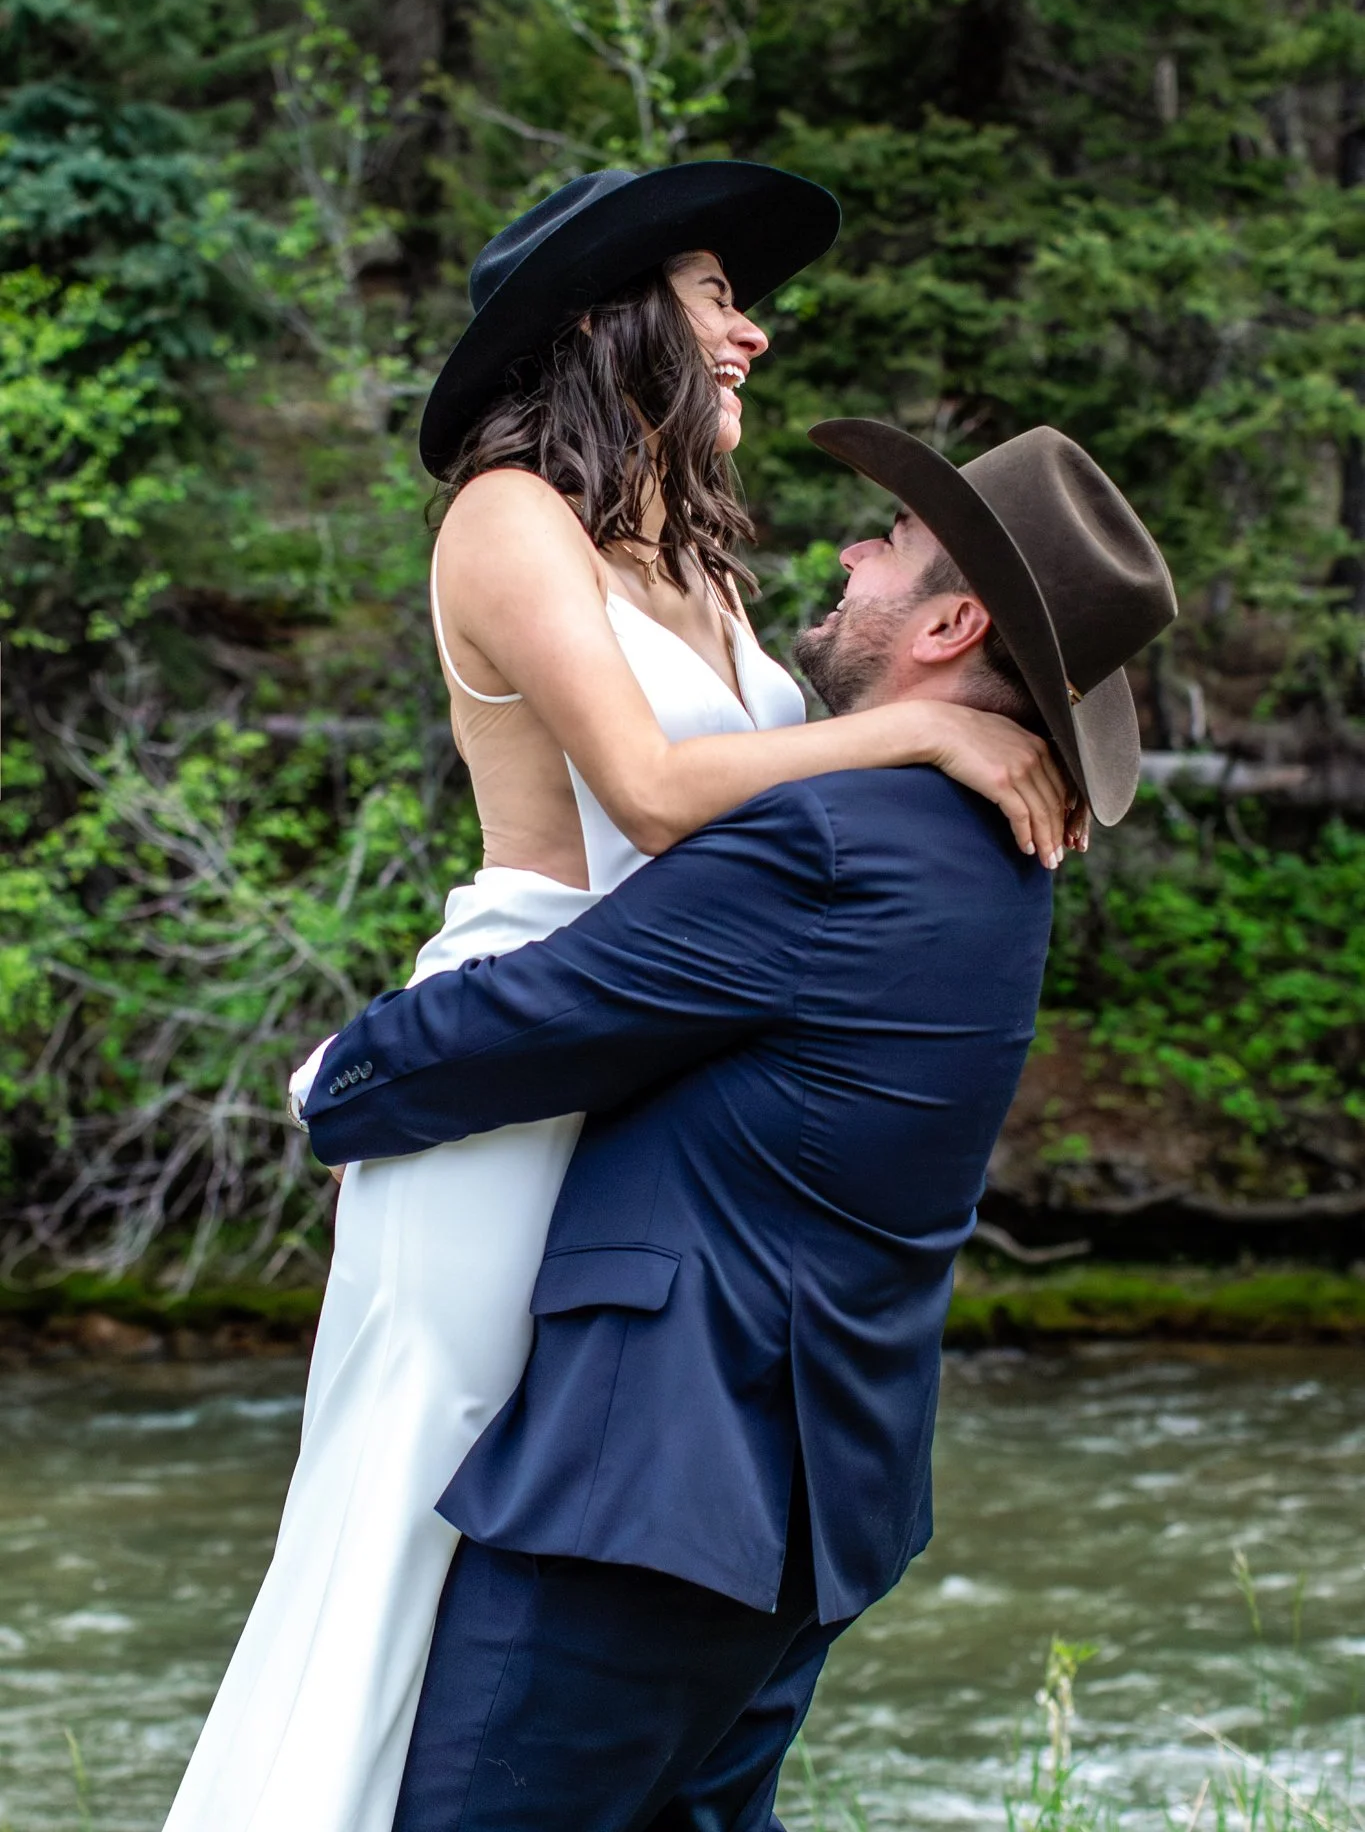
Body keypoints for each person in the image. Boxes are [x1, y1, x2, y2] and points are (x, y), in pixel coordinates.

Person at [162, 165, 1073, 1832]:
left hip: (644, 1074)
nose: (754, 328)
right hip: (514, 1055)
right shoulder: (507, 516)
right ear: (607, 317)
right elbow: (654, 796)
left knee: (534, 1563)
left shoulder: (703, 568)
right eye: (718, 292)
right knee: (409, 1541)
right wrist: (928, 729)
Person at [302, 418, 1178, 1832]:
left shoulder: (839, 838)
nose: (845, 553)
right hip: (815, 1508)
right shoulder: (995, 863)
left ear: (951, 622)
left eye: (885, 547)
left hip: (650, 1494)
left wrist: (334, 1082)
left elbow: (538, 1021)